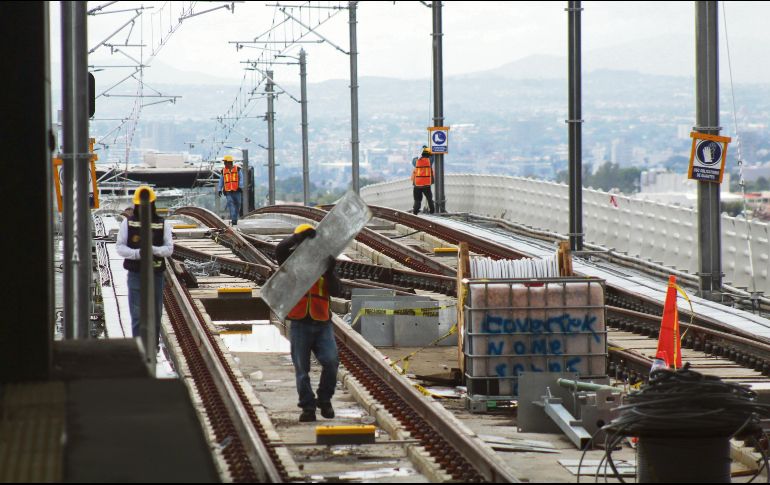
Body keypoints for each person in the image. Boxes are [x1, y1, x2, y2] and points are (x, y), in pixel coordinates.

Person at [276, 223, 341, 422]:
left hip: (322, 322)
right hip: (299, 322)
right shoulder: (290, 264)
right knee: (302, 370)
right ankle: (308, 407)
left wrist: (330, 273)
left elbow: (338, 291)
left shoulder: (324, 264)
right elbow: (279, 250)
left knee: (331, 362)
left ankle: (324, 399)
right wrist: (296, 238)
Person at [115, 186, 173, 346]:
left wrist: (153, 250)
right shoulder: (128, 224)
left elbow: (169, 249)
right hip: (136, 273)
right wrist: (138, 253)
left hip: (156, 274)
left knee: (155, 314)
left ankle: (152, 347)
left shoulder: (162, 224)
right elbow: (120, 247)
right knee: (137, 314)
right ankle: (138, 348)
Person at [217, 154, 243, 225]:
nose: (224, 164)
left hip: (237, 191)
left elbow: (241, 178)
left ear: (229, 162)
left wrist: (240, 186)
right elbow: (221, 181)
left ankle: (235, 218)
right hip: (228, 191)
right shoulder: (223, 171)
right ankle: (233, 220)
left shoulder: (238, 169)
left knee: (238, 204)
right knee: (230, 203)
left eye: (225, 162)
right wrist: (219, 189)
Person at [412, 146, 435, 215]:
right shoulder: (429, 161)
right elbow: (432, 156)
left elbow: (414, 159)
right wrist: (427, 148)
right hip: (426, 184)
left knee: (417, 200)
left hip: (417, 184)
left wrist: (420, 153)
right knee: (429, 198)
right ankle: (432, 211)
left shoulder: (416, 162)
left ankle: (415, 212)